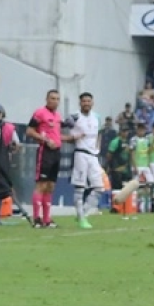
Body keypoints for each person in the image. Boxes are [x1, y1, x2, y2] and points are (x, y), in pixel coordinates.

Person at [25, 89, 62, 228]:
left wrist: (71, 138)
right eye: (52, 98)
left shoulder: (58, 116)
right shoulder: (40, 113)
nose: (55, 101)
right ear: (47, 99)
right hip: (45, 151)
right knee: (41, 184)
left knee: (51, 186)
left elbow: (57, 134)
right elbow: (29, 131)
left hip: (56, 152)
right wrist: (45, 140)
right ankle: (36, 218)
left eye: (57, 99)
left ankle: (47, 219)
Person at [67, 92, 104, 230]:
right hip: (81, 153)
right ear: (80, 103)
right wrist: (74, 135)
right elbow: (65, 125)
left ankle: (83, 212)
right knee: (80, 187)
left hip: (93, 155)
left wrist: (98, 147)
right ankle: (81, 217)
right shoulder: (75, 116)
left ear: (92, 103)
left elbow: (99, 133)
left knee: (99, 188)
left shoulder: (97, 117)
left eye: (89, 101)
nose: (86, 103)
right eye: (84, 101)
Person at [128, 122, 152, 213]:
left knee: (149, 184)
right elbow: (132, 153)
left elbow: (147, 152)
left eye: (143, 130)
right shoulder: (134, 140)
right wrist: (134, 166)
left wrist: (149, 163)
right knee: (136, 185)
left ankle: (147, 205)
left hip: (145, 165)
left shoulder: (147, 140)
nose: (141, 131)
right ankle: (136, 205)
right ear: (137, 130)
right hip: (138, 165)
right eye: (139, 130)